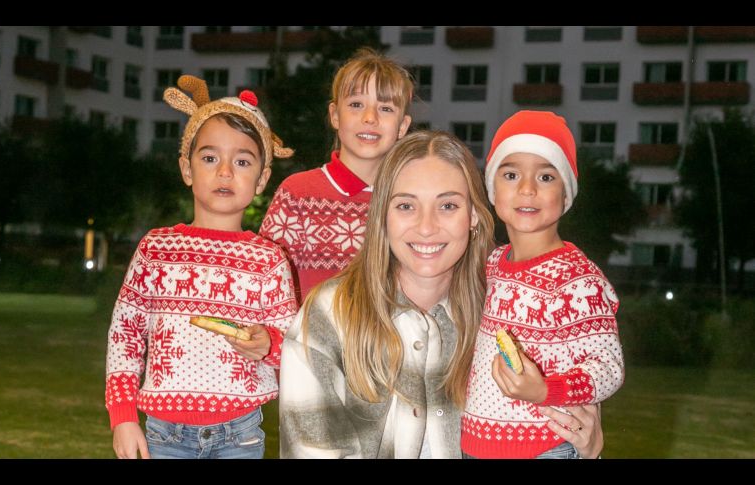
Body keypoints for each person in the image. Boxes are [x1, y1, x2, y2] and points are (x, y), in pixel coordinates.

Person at [278, 131, 604, 459]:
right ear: (382, 217)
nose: (426, 227)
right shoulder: (329, 315)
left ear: (473, 216)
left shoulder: (504, 315)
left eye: (447, 205)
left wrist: (585, 451)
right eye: (406, 205)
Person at [105, 75, 298, 459]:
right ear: (187, 168)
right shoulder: (157, 250)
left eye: (242, 161)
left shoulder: (269, 260)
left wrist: (268, 344)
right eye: (210, 158)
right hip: (164, 437)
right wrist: (123, 416)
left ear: (261, 178)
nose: (225, 171)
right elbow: (124, 334)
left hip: (240, 434)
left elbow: (292, 343)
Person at [461, 110, 624, 459]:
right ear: (492, 190)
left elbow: (608, 367)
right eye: (511, 174)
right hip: (475, 445)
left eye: (547, 176)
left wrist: (547, 390)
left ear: (566, 196)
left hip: (544, 447)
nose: (527, 188)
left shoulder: (578, 279)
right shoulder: (490, 264)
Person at [258, 48, 413, 304]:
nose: (370, 118)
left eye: (385, 108)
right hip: (308, 343)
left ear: (403, 126)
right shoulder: (297, 194)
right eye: (356, 105)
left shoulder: (411, 201)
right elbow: (264, 287)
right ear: (335, 116)